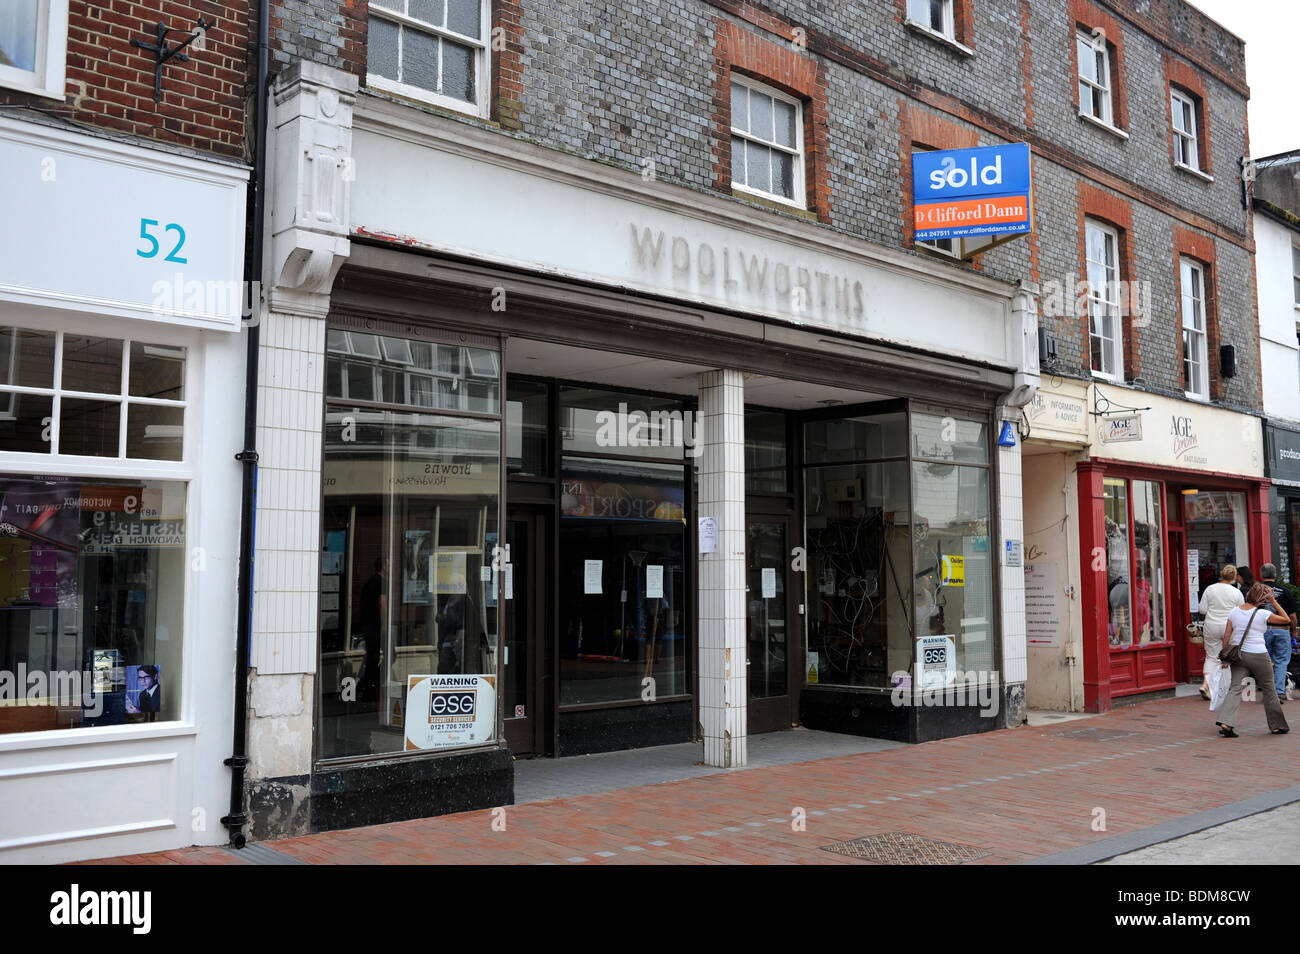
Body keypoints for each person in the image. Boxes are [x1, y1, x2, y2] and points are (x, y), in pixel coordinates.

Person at [1214, 582, 1290, 738]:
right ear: (1262, 599)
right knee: (1269, 688)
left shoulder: (1234, 612)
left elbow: (1227, 635)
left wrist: (1224, 656)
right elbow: (1286, 619)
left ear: (1248, 595)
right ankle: (1277, 726)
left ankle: (1226, 722)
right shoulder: (1262, 614)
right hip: (1259, 655)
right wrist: (1274, 601)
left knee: (1235, 688)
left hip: (1238, 655)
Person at [1198, 564, 1243, 700]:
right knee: (1228, 657)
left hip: (1211, 625)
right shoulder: (1236, 592)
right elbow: (1241, 611)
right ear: (1234, 577)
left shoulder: (1210, 589)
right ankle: (1223, 688)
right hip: (1228, 626)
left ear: (1221, 574)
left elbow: (1202, 609)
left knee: (1211, 656)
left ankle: (1206, 684)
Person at [1258, 563, 1298, 703]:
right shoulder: (1285, 590)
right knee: (1281, 661)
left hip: (1263, 630)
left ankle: (1267, 691)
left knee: (1264, 661)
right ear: (1275, 574)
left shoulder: (1257, 590)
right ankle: (1279, 691)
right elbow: (1292, 615)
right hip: (1282, 630)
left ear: (1261, 574)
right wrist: (1293, 630)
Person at [359, 557, 388, 703]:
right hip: (376, 625)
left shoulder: (368, 583)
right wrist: (384, 625)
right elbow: (382, 604)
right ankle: (370, 684)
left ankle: (368, 684)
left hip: (367, 625)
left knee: (372, 655)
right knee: (386, 654)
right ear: (383, 567)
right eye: (388, 564)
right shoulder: (382, 582)